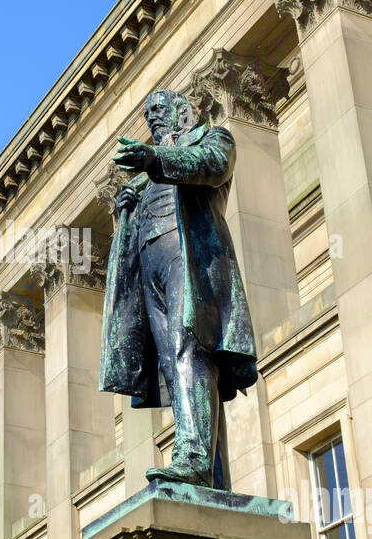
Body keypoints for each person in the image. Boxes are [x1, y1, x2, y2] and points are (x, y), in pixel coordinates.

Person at [100, 89, 258, 488]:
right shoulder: (142, 180)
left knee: (190, 345)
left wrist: (155, 159)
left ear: (182, 111)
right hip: (150, 266)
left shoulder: (212, 138)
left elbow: (211, 165)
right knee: (172, 363)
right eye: (147, 112)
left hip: (189, 259)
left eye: (158, 109)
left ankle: (193, 458)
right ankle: (206, 471)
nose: (152, 117)